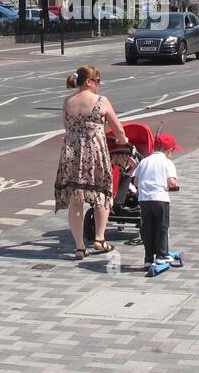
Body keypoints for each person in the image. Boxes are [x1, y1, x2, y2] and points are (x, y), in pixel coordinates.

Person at [55, 65, 127, 259]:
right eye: (97, 81)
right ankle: (99, 239)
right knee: (101, 192)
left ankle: (79, 247)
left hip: (71, 153)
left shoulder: (67, 101)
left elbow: (66, 126)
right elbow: (118, 128)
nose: (99, 85)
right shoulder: (101, 101)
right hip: (94, 152)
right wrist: (123, 141)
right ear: (88, 81)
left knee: (76, 199)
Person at [134, 133, 183, 275]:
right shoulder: (167, 163)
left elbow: (136, 181)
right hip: (160, 199)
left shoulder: (144, 161)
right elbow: (171, 182)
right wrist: (174, 186)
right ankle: (161, 256)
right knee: (162, 228)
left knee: (147, 229)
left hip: (144, 200)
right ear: (168, 150)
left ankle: (148, 257)